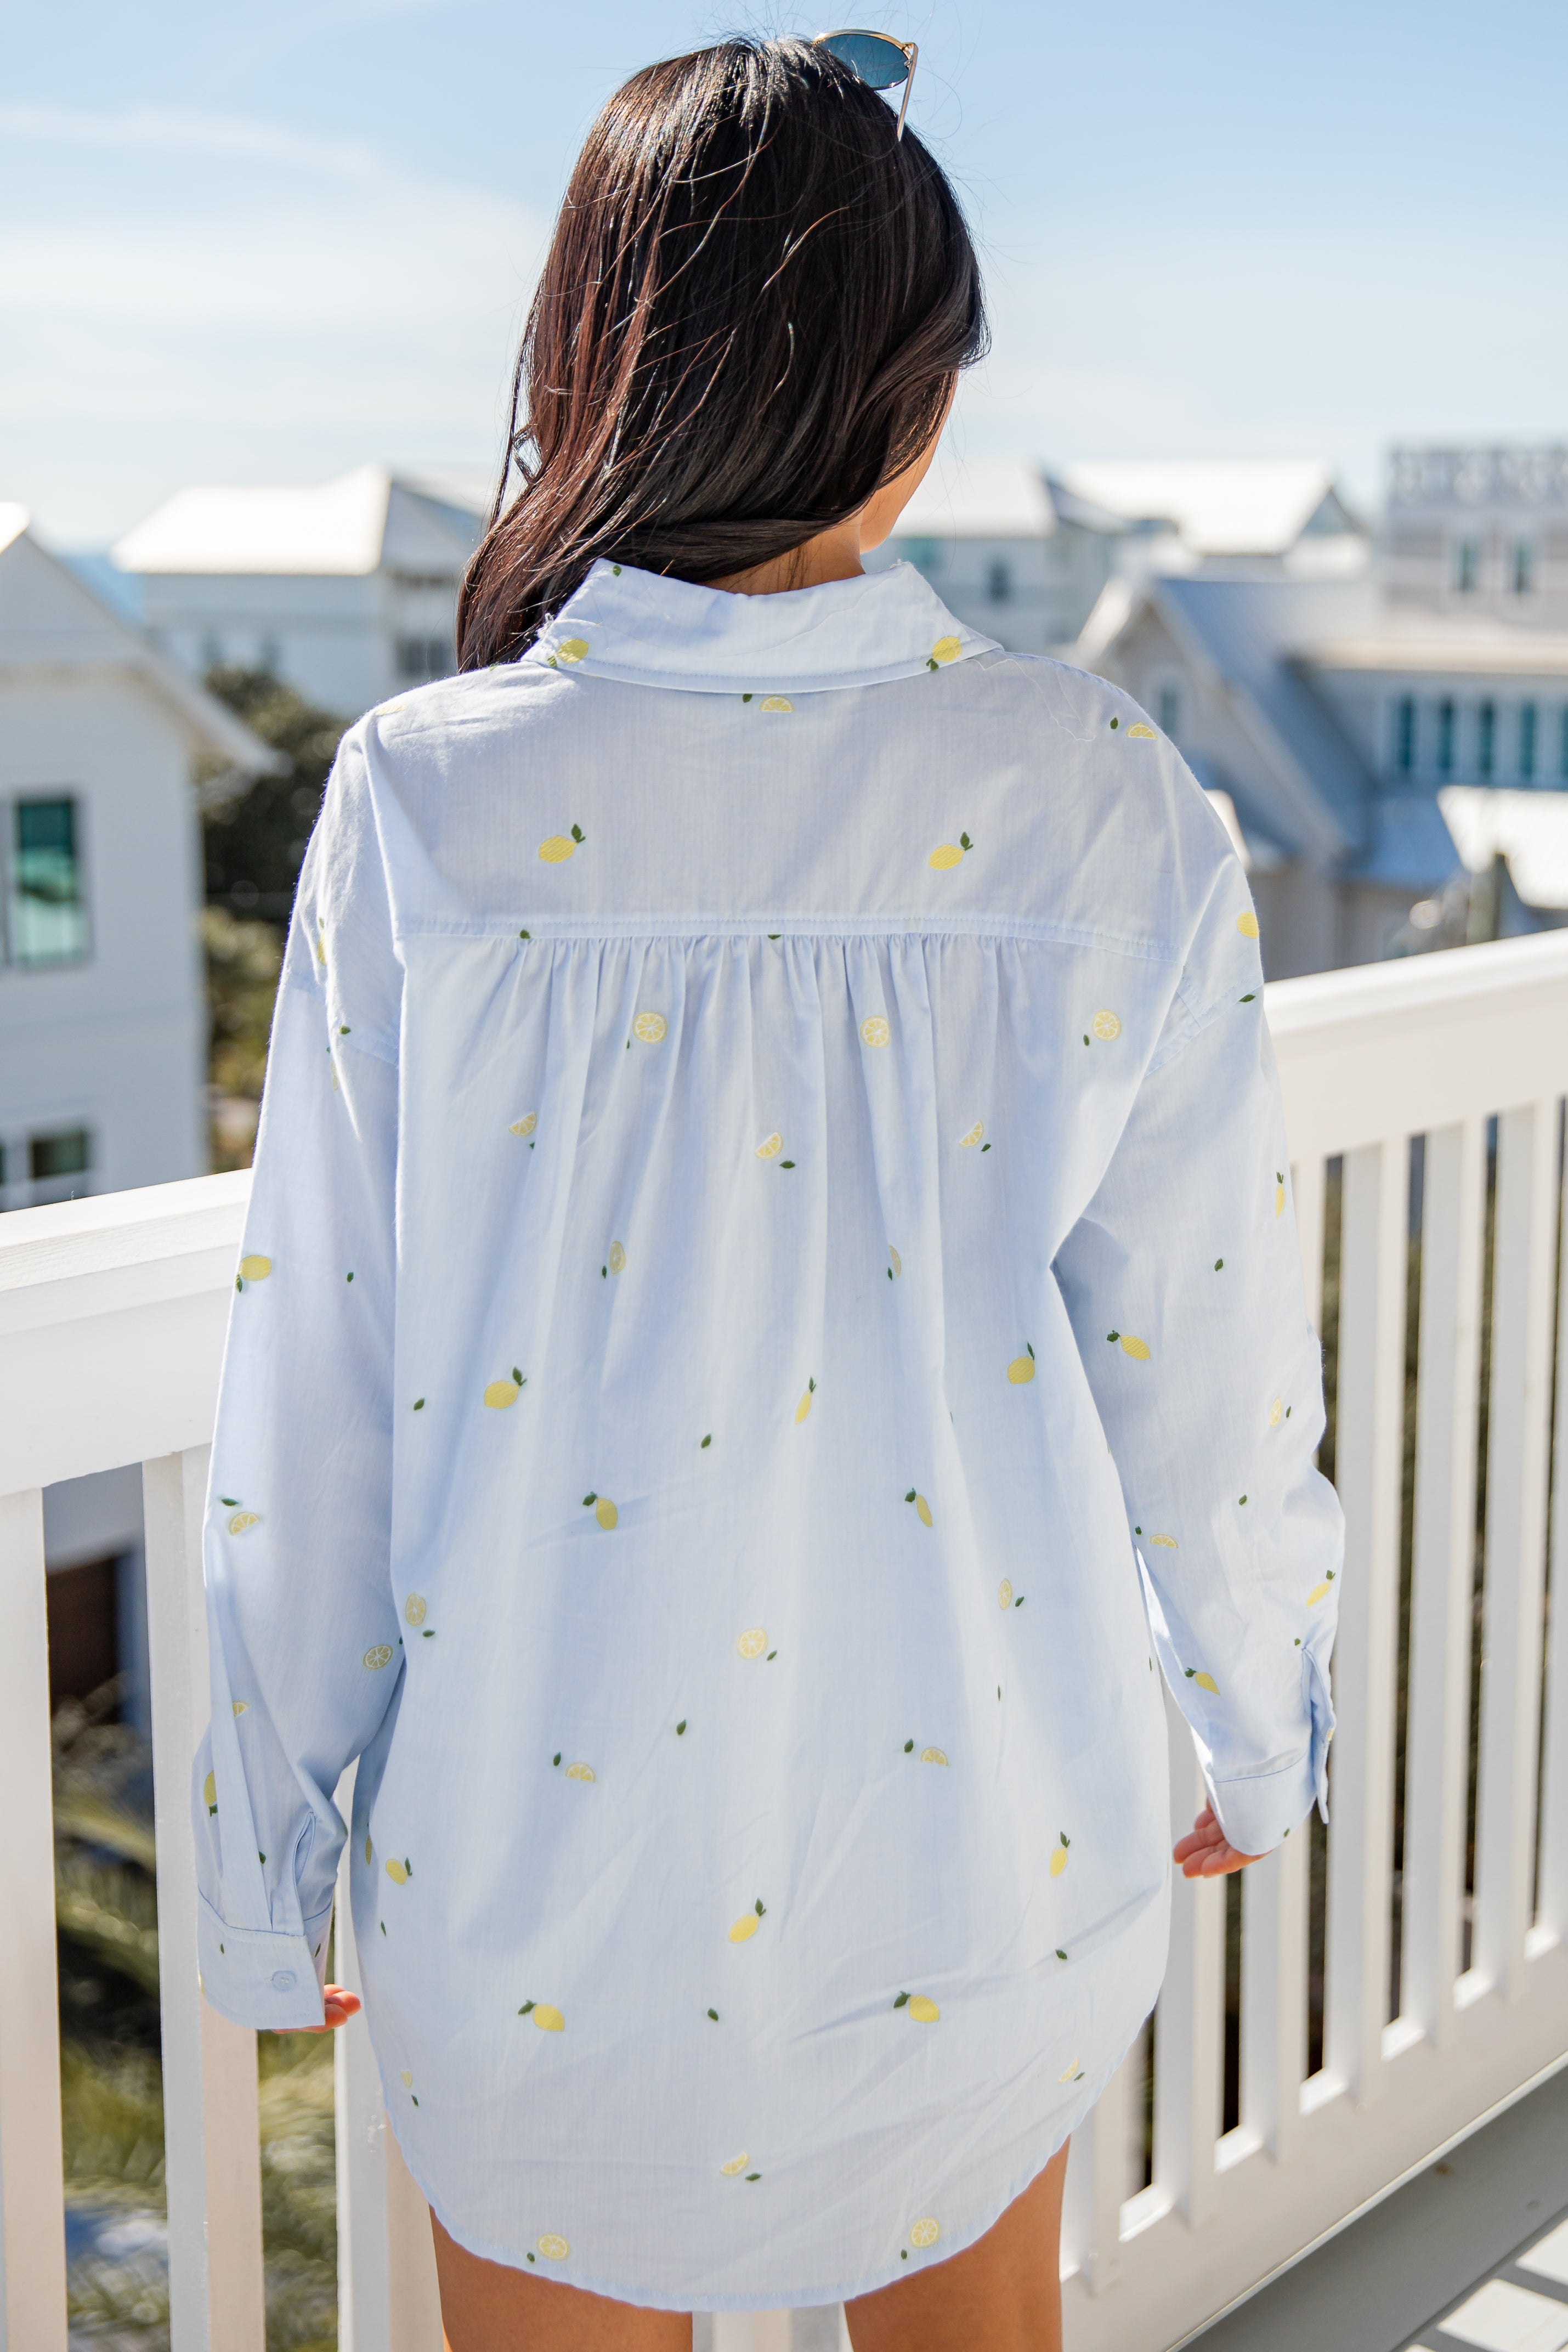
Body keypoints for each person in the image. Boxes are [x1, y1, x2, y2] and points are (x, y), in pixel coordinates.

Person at [193, 33, 1341, 2352]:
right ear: (915, 411)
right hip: (972, 1844)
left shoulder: (428, 796)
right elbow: (1206, 1362)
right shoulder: (1099, 793)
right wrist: (1252, 1718)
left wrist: (269, 1846)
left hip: (530, 1877)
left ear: (587, 367)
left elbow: (313, 1375)